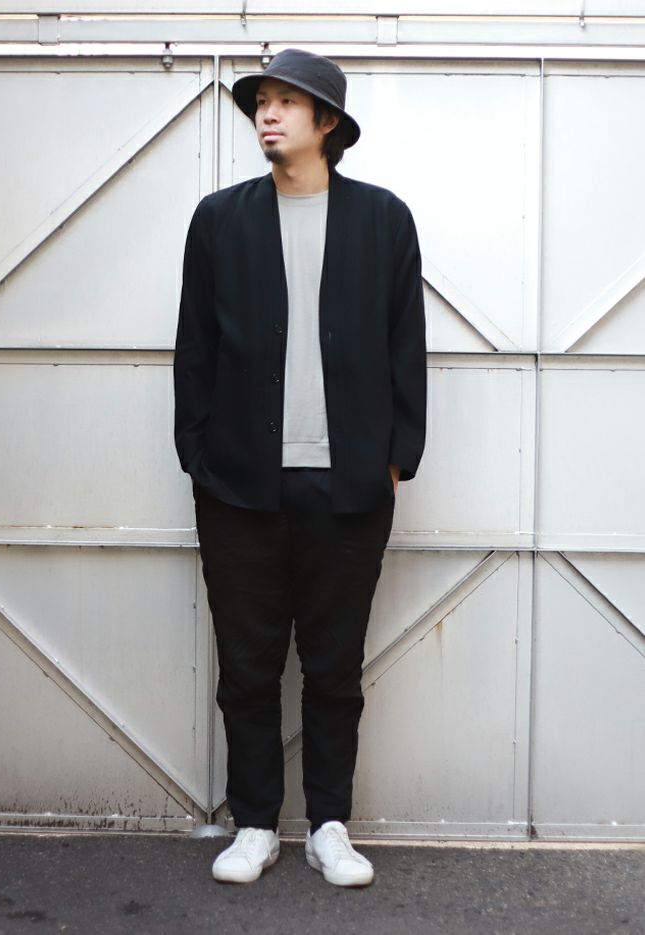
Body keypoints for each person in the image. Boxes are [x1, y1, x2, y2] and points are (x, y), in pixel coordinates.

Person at [173, 48, 426, 887]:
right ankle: (253, 824)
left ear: (328, 122)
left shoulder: (382, 220)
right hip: (239, 485)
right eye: (261, 103)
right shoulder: (220, 220)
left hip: (349, 486)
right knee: (246, 667)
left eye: (286, 102)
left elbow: (405, 343)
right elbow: (194, 347)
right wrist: (199, 456)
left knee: (333, 667)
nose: (267, 115)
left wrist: (398, 457)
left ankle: (328, 826)